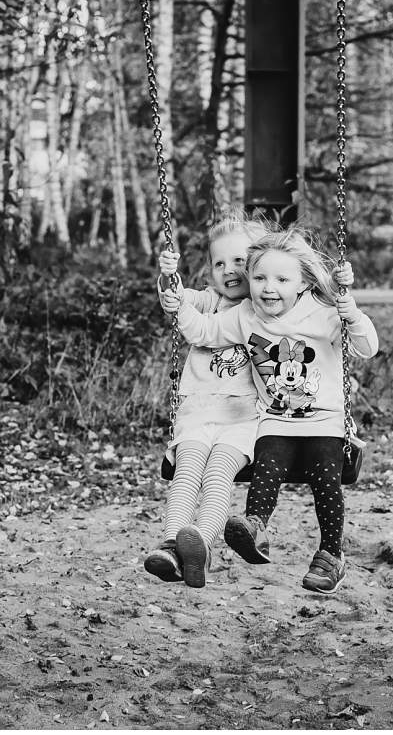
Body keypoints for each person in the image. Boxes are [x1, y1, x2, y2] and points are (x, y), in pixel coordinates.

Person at [160, 227, 378, 594]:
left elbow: (367, 347)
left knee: (326, 479)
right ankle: (253, 525)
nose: (268, 287)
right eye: (259, 277)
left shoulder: (323, 313)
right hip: (275, 421)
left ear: (303, 282)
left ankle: (330, 554)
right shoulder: (246, 314)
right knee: (267, 466)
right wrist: (177, 304)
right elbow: (203, 331)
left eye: (281, 279)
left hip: (324, 423)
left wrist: (351, 312)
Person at [144, 212, 268, 588]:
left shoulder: (266, 307)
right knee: (186, 473)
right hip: (197, 415)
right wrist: (168, 275)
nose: (229, 270)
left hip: (243, 420)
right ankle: (171, 545)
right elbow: (175, 300)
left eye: (240, 261)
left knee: (217, 477)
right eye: (219, 263)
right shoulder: (208, 302)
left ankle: (200, 541)